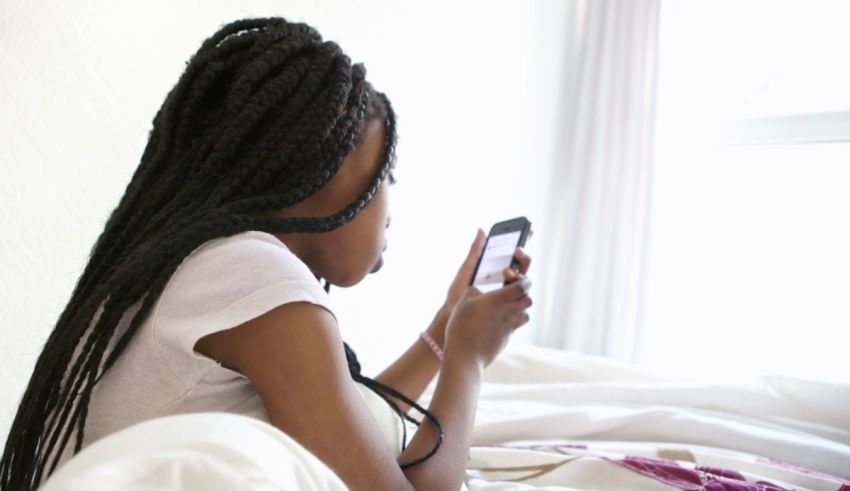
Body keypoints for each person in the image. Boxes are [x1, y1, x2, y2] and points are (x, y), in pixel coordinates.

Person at [0, 17, 532, 491]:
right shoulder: (254, 275)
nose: (390, 209)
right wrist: (469, 360)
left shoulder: (197, 263)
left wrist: (445, 328)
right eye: (386, 175)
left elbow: (343, 434)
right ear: (323, 171)